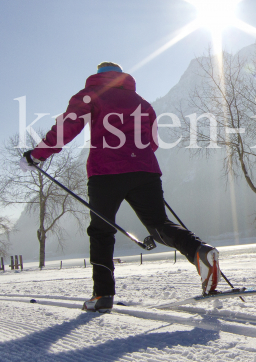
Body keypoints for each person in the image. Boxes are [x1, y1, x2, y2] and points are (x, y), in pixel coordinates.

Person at [19, 61, 219, 312]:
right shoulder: (143, 103)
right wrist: (137, 157)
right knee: (159, 225)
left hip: (106, 172)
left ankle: (102, 295)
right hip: (145, 170)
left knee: (102, 232)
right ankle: (200, 250)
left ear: (98, 75)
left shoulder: (91, 95)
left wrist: (38, 154)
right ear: (122, 76)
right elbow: (153, 141)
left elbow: (67, 128)